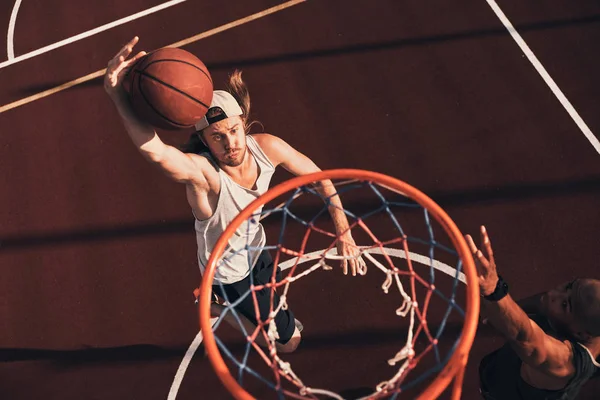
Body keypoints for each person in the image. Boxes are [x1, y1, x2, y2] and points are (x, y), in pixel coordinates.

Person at [103, 37, 365, 353]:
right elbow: (157, 154)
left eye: (233, 130)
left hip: (256, 249)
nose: (229, 143)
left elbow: (320, 179)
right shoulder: (205, 177)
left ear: (243, 123)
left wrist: (343, 228)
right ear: (204, 140)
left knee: (278, 311)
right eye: (216, 137)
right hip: (228, 274)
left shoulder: (267, 147)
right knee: (289, 344)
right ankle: (215, 304)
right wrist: (117, 93)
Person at [466, 226, 600, 399]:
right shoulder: (579, 316)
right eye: (568, 286)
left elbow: (526, 338)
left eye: (565, 304)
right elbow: (543, 302)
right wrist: (499, 312)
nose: (554, 294)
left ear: (581, 333)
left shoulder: (564, 362)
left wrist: (495, 291)